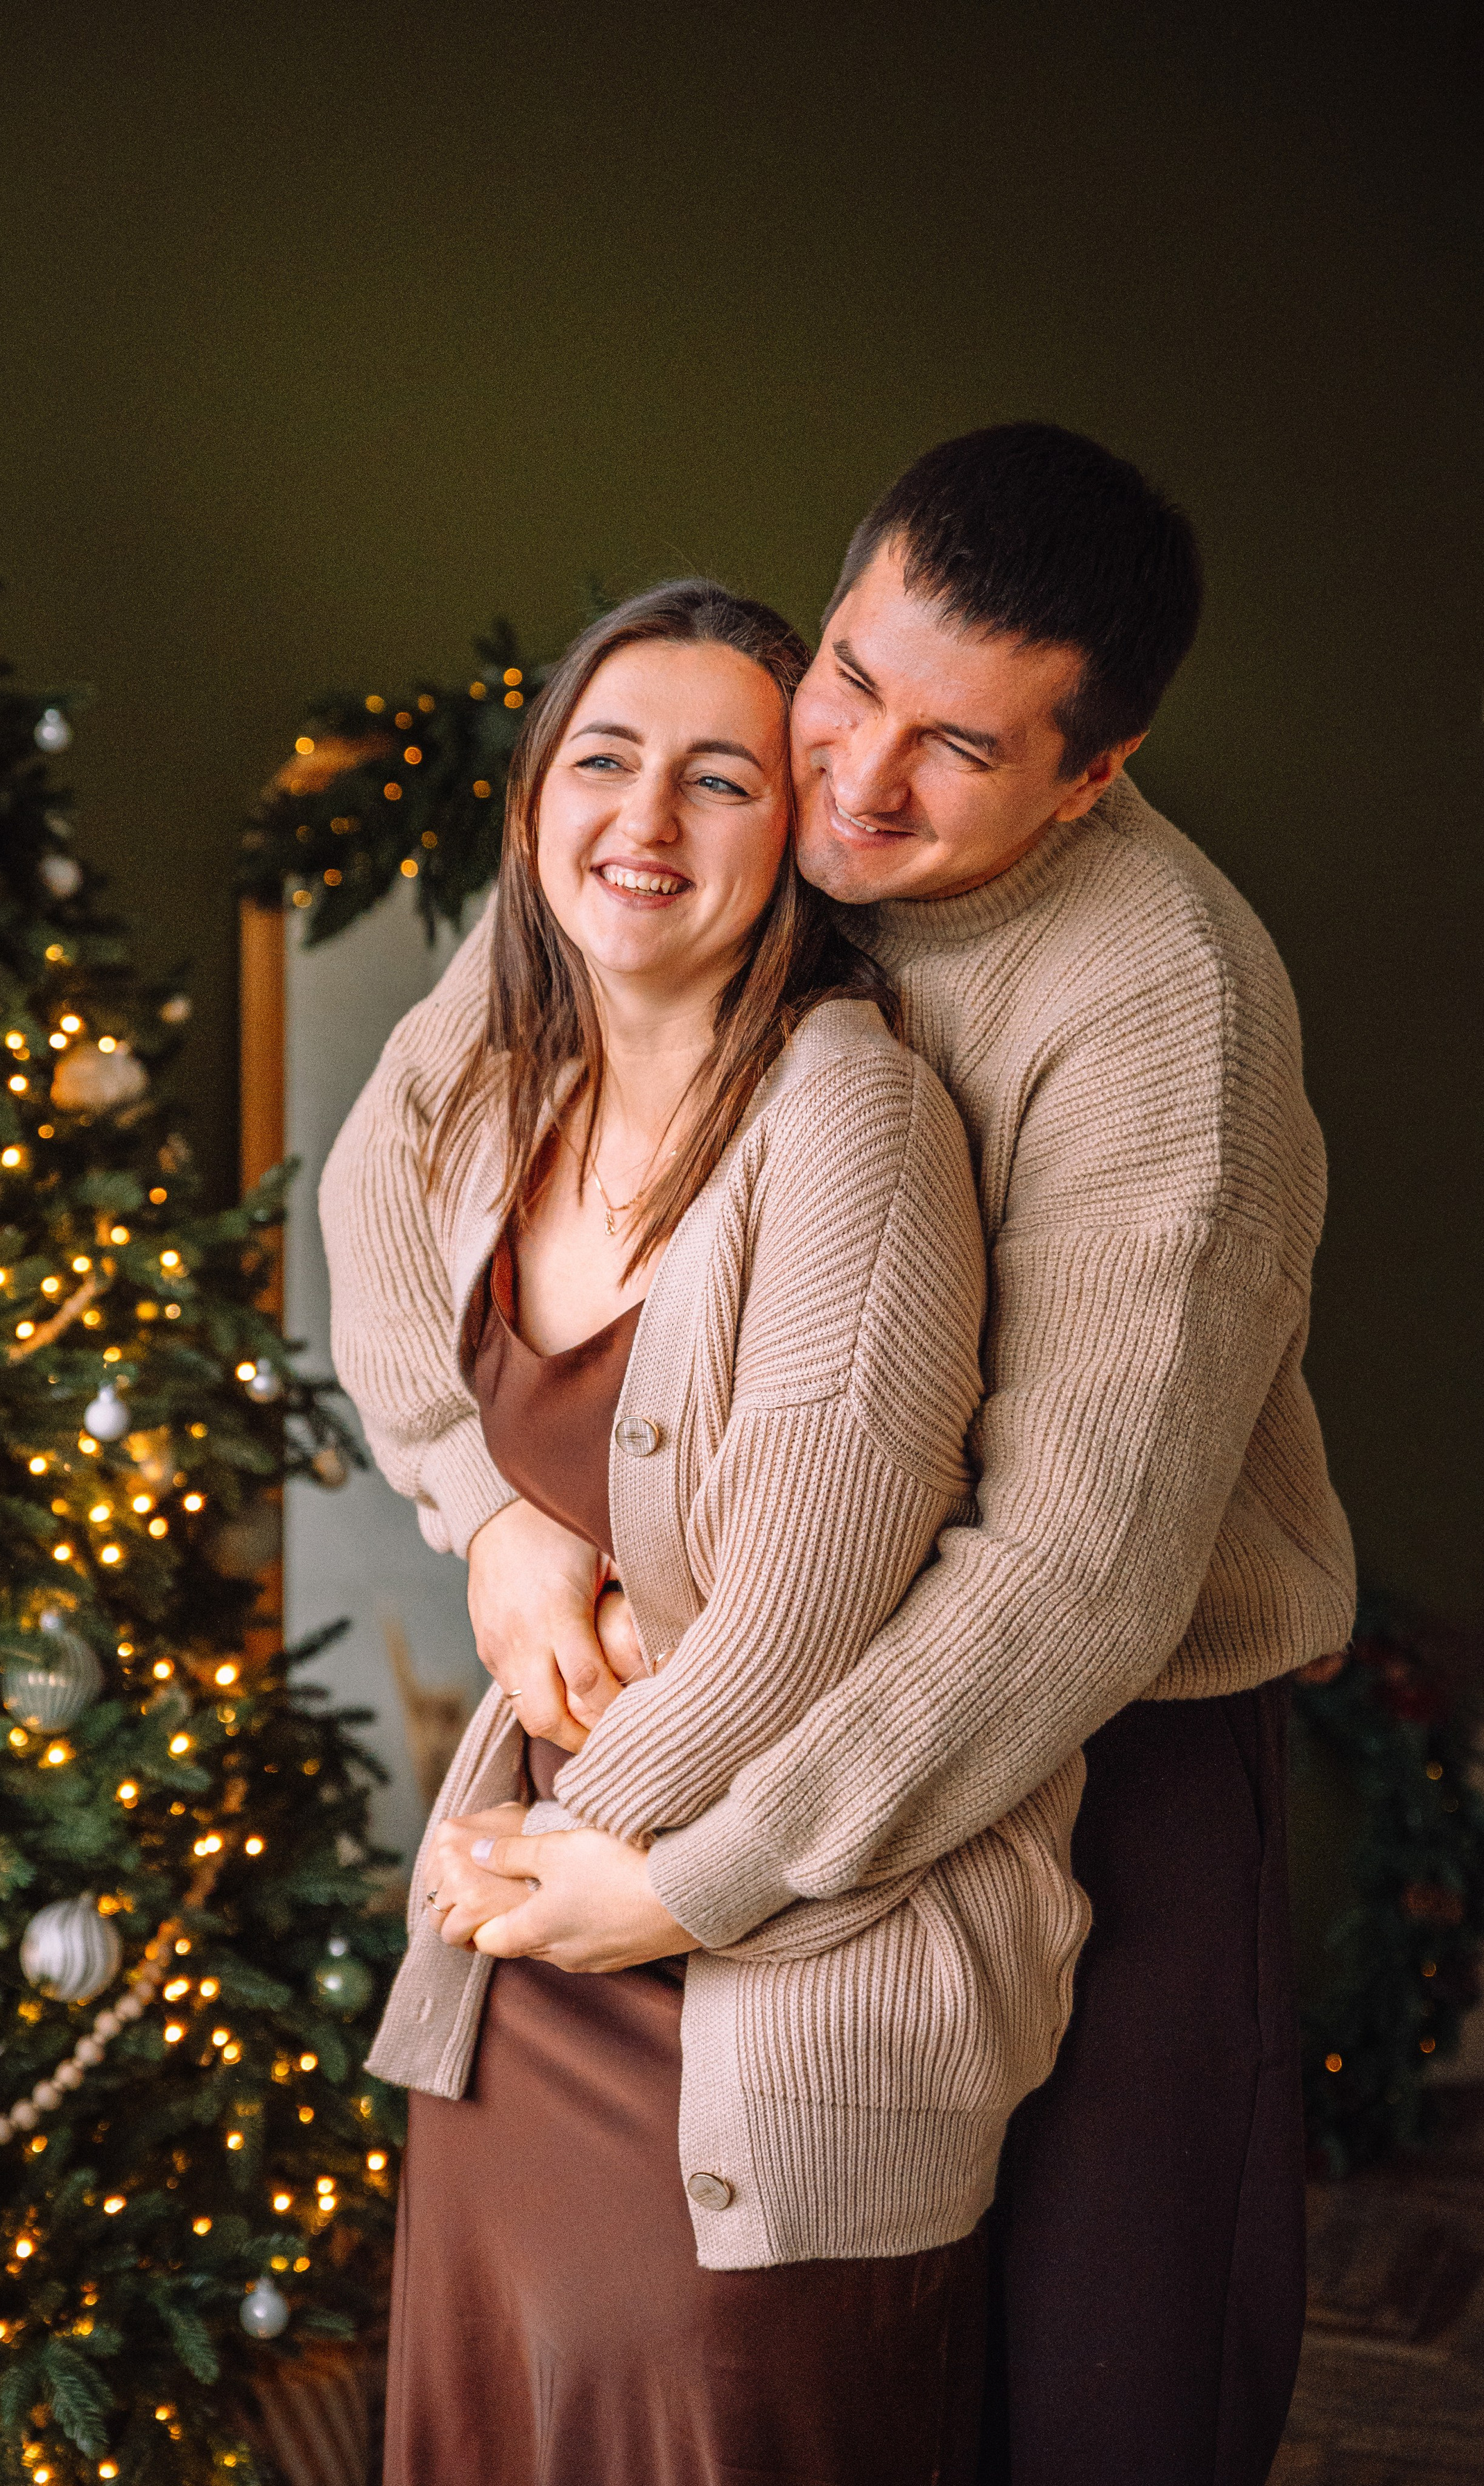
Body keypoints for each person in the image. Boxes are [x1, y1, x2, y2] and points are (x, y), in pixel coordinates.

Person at [321, 425, 1356, 2486]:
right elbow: (401, 1137)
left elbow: (1067, 1581)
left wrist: (707, 1875)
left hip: (1097, 1733)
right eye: (853, 682)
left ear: (1095, 774)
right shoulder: (736, 795)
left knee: (1095, 2411)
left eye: (958, 752)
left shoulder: (1167, 1016)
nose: (856, 785)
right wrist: (487, 1512)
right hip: (734, 1706)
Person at [322, 580, 1092, 2485]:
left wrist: (582, 1848)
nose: (645, 823)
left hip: (771, 1982)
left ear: (801, 837)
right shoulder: (499, 1099)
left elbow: (798, 1634)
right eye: (605, 761)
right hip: (533, 1963)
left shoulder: (855, 1123)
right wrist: (490, 1509)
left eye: (722, 779)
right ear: (531, 813)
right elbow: (374, 1275)